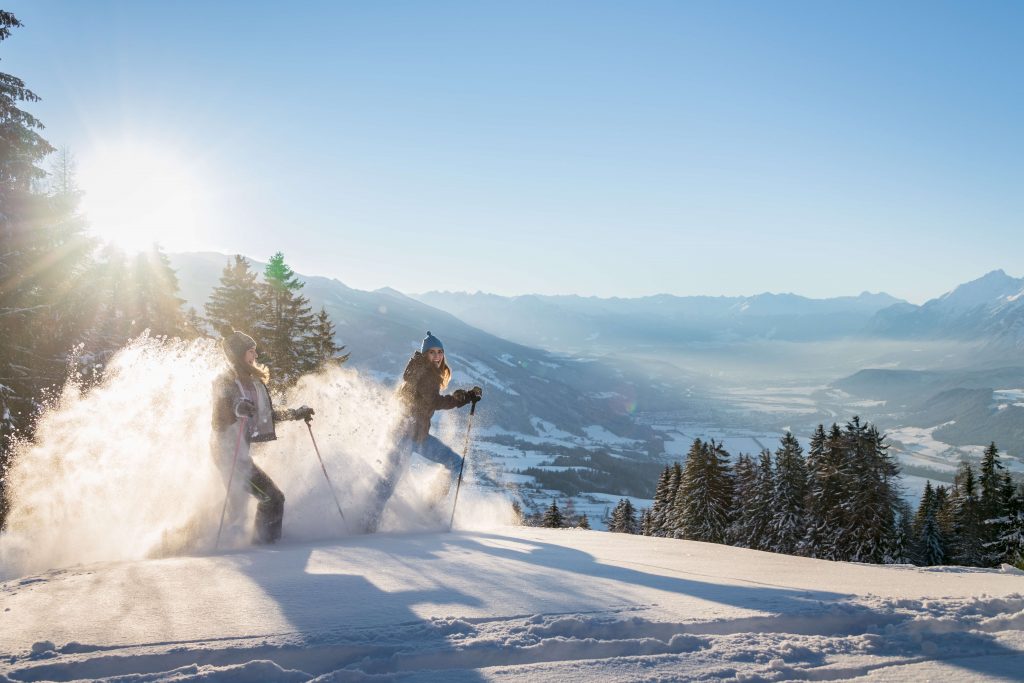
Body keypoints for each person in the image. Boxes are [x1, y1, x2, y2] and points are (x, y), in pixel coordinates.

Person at [363, 331, 482, 531]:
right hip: (405, 435)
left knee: (454, 463)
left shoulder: (420, 370)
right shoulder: (426, 374)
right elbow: (434, 401)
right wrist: (464, 397)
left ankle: (425, 511)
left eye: (440, 352)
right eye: (432, 352)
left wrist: (462, 397)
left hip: (418, 436)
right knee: (388, 483)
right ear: (424, 354)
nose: (436, 356)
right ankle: (368, 523)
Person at [211, 330, 315, 544]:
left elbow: (267, 413)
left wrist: (296, 413)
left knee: (237, 509)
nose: (255, 356)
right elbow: (224, 409)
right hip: (227, 454)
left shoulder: (252, 383)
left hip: (239, 455)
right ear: (238, 354)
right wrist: (238, 408)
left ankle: (189, 535)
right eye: (251, 351)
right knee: (273, 498)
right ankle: (266, 551)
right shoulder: (226, 381)